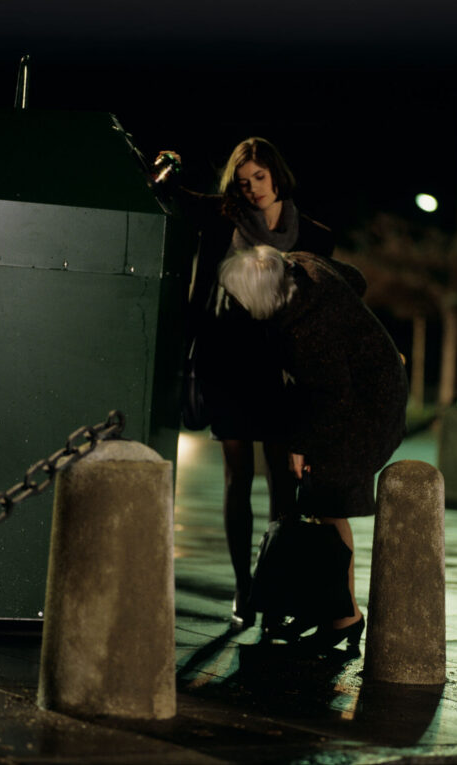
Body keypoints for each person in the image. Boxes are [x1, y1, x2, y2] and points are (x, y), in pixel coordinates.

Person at [156, 138, 335, 629]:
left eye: (259, 177)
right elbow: (177, 196)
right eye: (243, 181)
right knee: (237, 478)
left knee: (283, 482)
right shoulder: (221, 218)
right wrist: (160, 164)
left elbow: (321, 311)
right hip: (226, 361)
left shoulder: (315, 236)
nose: (253, 189)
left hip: (281, 370)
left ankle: (274, 586)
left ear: (277, 174)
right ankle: (243, 587)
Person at [217, 245, 408, 650]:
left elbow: (331, 395)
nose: (235, 303)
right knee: (322, 505)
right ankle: (329, 610)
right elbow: (356, 278)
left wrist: (303, 447)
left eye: (239, 296)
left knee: (329, 504)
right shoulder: (302, 264)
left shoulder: (306, 328)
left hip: (363, 409)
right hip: (370, 387)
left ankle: (346, 618)